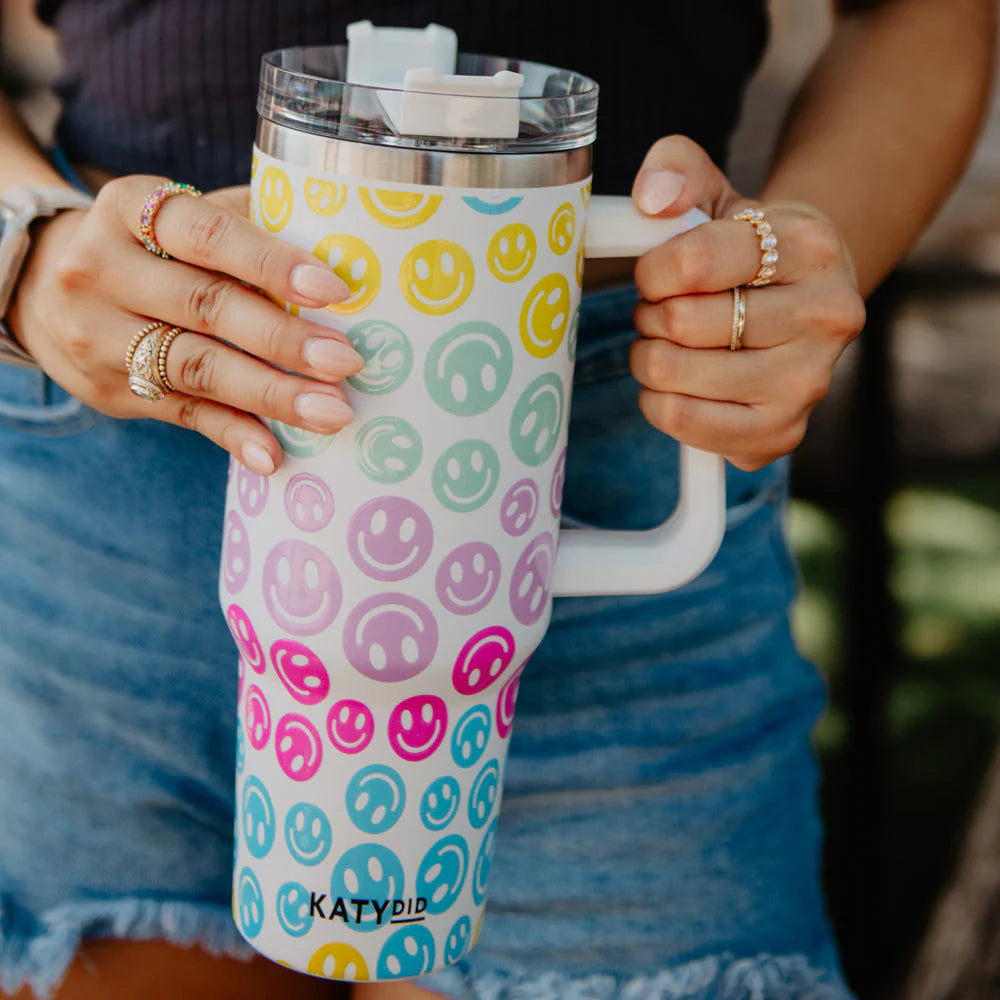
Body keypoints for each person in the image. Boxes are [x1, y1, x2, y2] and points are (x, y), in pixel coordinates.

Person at [0, 1, 993, 998]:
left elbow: (924, 20)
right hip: (113, 448)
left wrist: (776, 274)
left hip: (628, 432)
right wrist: (26, 250)